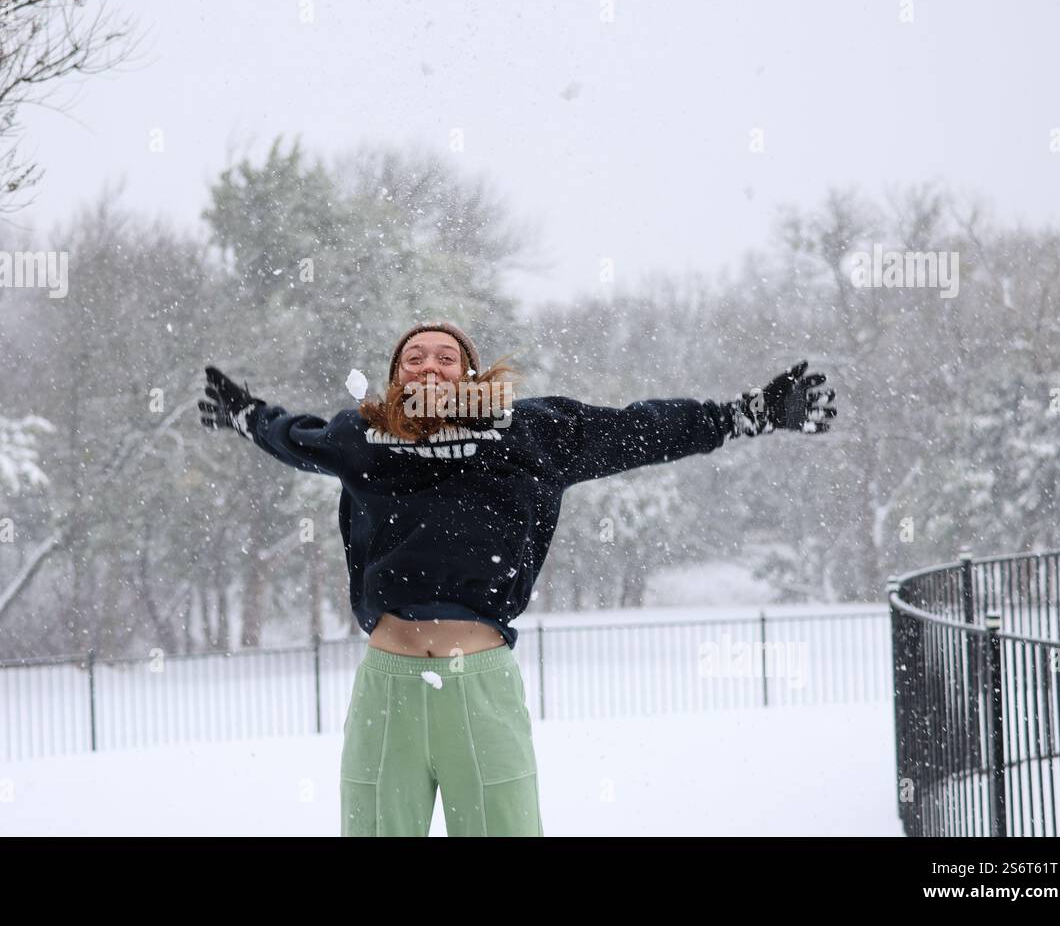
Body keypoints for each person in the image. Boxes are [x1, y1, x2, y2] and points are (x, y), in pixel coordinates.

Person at [199, 319, 837, 836]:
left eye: (445, 357)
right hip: (387, 690)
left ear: (471, 373)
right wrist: (246, 413)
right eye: (413, 357)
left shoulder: (531, 431)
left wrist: (744, 414)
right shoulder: (365, 436)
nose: (428, 365)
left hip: (480, 688)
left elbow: (639, 429)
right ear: (396, 379)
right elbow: (290, 436)